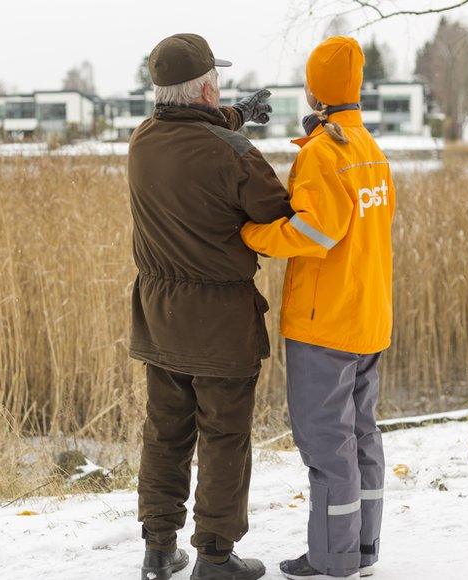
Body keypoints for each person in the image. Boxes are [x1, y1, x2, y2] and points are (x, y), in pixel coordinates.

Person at [128, 33, 291, 580]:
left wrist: (235, 116)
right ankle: (215, 557)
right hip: (220, 321)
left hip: (159, 315)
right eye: (216, 82)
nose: (220, 88)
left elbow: (190, 136)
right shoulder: (236, 156)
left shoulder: (142, 140)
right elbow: (277, 211)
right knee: (223, 436)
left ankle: (158, 549)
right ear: (203, 90)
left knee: (165, 431)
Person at [239, 36, 396, 580]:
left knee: (327, 442)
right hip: (369, 316)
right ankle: (363, 549)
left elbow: (314, 232)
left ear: (314, 89)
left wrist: (253, 234)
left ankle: (334, 559)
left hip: (324, 323)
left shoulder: (324, 154)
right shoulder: (369, 149)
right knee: (362, 436)